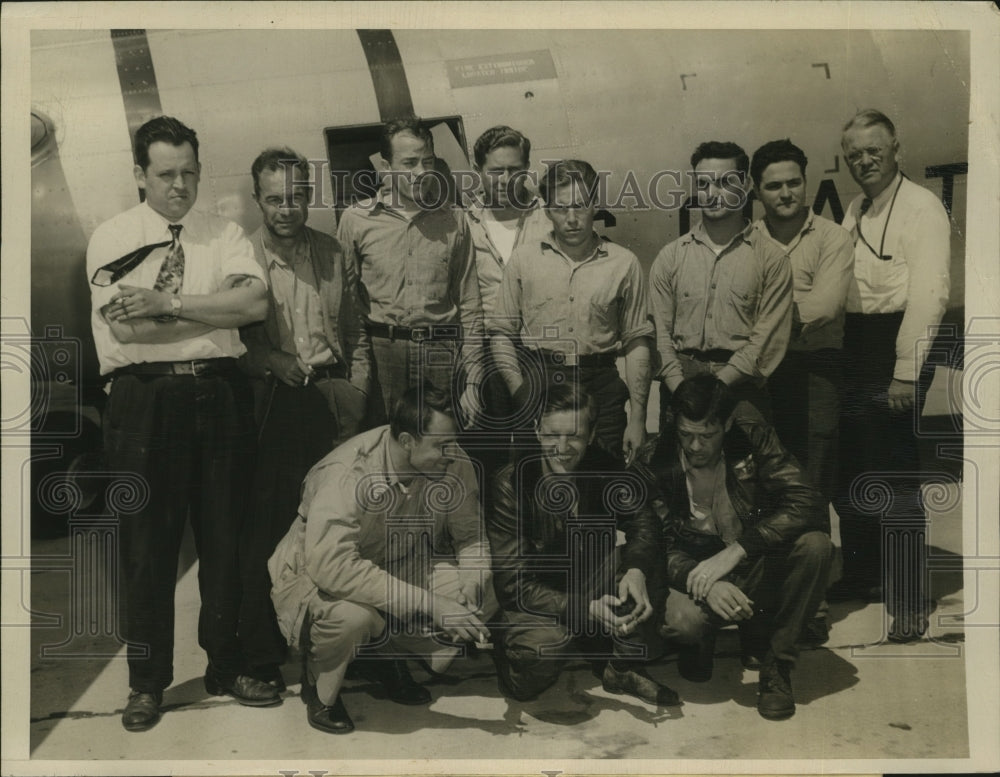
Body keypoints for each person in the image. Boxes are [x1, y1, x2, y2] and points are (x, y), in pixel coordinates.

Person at [86, 116, 278, 731]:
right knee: (147, 550)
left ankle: (226, 663)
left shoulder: (224, 232)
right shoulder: (111, 236)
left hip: (219, 399)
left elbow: (253, 304)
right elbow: (127, 329)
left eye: (189, 172)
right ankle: (147, 683)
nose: (179, 185)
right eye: (166, 174)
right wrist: (212, 314)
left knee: (227, 541)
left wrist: (168, 303)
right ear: (140, 174)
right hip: (144, 403)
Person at [267, 384, 495, 734]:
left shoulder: (453, 459)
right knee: (353, 618)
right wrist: (432, 605)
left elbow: (471, 535)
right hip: (318, 578)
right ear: (406, 441)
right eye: (441, 445)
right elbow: (333, 568)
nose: (452, 452)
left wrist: (472, 584)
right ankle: (319, 683)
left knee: (489, 588)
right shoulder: (347, 473)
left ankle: (382, 654)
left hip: (398, 563)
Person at [237, 147, 373, 688]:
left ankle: (341, 646)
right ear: (257, 201)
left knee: (338, 525)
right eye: (275, 199)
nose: (287, 208)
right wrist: (271, 360)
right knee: (268, 531)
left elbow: (357, 329)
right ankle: (262, 657)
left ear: (308, 196)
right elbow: (228, 344)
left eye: (296, 197)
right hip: (273, 405)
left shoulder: (333, 251)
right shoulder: (241, 259)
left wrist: (356, 390)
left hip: (332, 399)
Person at [633, 374, 832, 720]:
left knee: (815, 546)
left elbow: (807, 500)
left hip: (746, 556)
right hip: (691, 569)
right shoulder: (653, 460)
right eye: (686, 434)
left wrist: (739, 549)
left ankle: (776, 665)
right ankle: (703, 638)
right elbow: (654, 545)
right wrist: (707, 583)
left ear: (726, 424)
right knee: (684, 622)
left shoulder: (752, 436)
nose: (695, 446)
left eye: (707, 436)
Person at [829, 110, 951, 642]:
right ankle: (861, 572)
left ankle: (908, 599)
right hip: (854, 345)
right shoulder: (857, 207)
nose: (864, 161)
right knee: (852, 464)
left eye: (873, 150)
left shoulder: (922, 208)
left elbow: (930, 295)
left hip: (893, 348)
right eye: (854, 153)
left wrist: (906, 374)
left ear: (896, 149)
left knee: (896, 477)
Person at [487, 381, 679, 706]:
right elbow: (513, 586)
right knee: (544, 652)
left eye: (574, 436)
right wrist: (583, 609)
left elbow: (643, 519)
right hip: (533, 598)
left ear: (590, 436)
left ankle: (620, 668)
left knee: (642, 559)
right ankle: (509, 658)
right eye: (552, 435)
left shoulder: (604, 464)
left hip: (584, 581)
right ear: (536, 431)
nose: (562, 447)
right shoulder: (512, 483)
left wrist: (635, 570)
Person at [749, 139, 854, 646]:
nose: (786, 193)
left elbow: (828, 306)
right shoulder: (748, 240)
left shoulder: (833, 237)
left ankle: (813, 606)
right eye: (774, 185)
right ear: (757, 191)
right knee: (767, 486)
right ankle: (770, 596)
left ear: (806, 183)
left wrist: (763, 316)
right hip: (763, 376)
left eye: (794, 182)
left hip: (815, 373)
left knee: (811, 486)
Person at [490, 159, 654, 463]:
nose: (572, 218)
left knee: (605, 478)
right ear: (547, 210)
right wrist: (520, 391)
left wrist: (638, 418)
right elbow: (501, 333)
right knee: (535, 478)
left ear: (595, 205)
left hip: (600, 384)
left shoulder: (624, 263)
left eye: (580, 206)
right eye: (561, 208)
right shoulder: (523, 261)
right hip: (540, 382)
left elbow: (637, 342)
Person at [336, 116, 484, 428]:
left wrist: (473, 379)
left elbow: (470, 306)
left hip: (441, 355)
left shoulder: (454, 220)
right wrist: (359, 375)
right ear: (386, 168)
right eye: (409, 163)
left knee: (439, 452)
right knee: (383, 450)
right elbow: (346, 307)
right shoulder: (356, 220)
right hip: (382, 358)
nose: (421, 173)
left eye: (427, 162)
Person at [649, 141, 793, 428]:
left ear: (746, 184)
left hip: (741, 386)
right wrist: (679, 388)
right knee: (679, 471)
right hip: (681, 381)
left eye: (725, 182)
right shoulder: (671, 256)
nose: (712, 194)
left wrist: (718, 386)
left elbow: (765, 343)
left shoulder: (772, 259)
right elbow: (659, 334)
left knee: (749, 471)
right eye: (703, 184)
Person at [462, 126, 550, 478]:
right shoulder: (464, 223)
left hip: (538, 349)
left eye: (515, 169)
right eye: (496, 170)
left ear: (527, 167)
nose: (506, 179)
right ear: (479, 171)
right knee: (493, 457)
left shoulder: (548, 216)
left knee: (543, 448)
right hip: (486, 354)